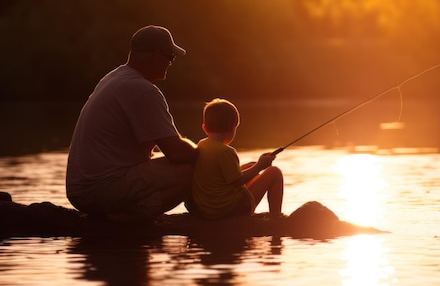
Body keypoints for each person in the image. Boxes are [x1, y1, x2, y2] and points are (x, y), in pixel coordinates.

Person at [66, 25, 198, 221]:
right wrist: (210, 153)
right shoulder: (142, 89)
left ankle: (129, 212)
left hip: (83, 188)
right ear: (155, 56)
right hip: (97, 189)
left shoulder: (115, 77)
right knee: (191, 172)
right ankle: (131, 217)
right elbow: (177, 152)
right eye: (170, 56)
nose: (171, 63)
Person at [186, 98, 284, 219]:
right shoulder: (226, 152)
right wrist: (260, 166)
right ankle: (276, 218)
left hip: (207, 206)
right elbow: (237, 181)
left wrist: (256, 165)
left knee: (250, 166)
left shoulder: (202, 145)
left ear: (205, 128)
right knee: (274, 172)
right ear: (233, 129)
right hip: (227, 209)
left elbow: (222, 177)